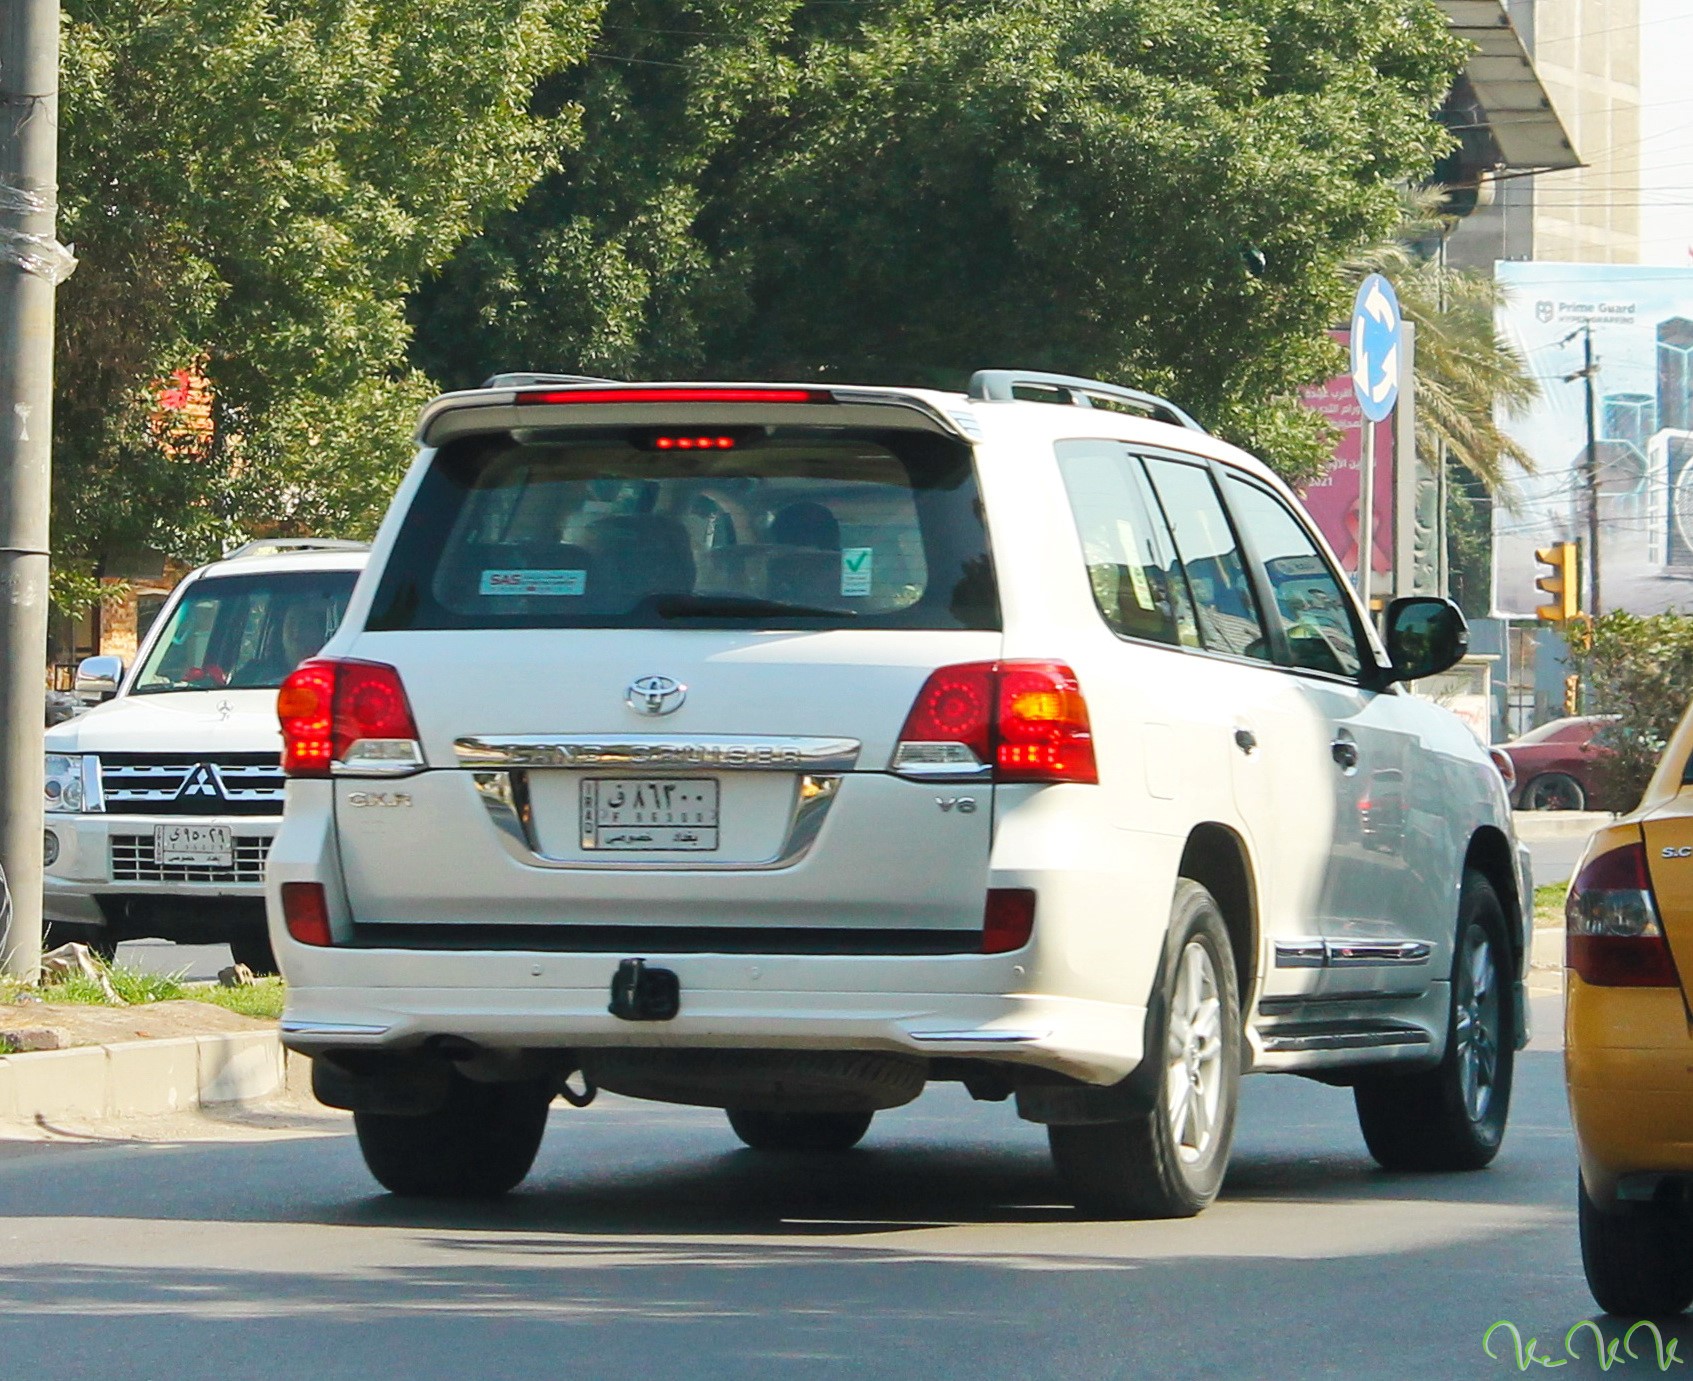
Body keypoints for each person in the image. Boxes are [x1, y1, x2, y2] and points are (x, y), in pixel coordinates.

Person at [230, 599, 331, 687]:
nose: (296, 632)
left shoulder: (333, 678)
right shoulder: (252, 675)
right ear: (281, 631)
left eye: (305, 624)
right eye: (291, 623)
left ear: (321, 633)